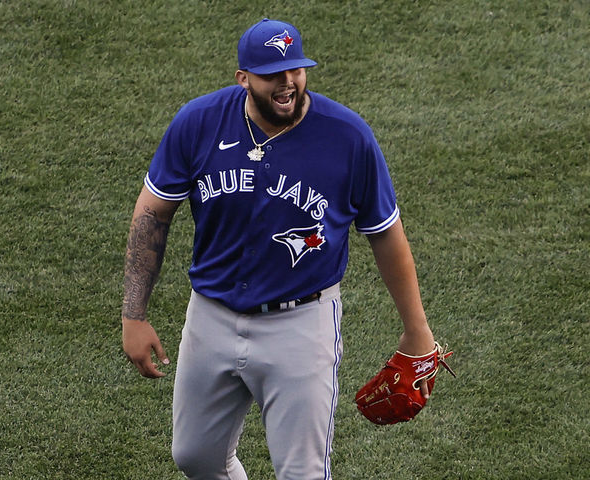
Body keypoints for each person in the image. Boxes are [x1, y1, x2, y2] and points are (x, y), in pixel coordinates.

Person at [121, 18, 436, 480]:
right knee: (195, 457)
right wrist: (134, 313)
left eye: (296, 70)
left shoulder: (348, 137)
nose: (287, 82)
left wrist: (417, 330)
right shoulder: (199, 122)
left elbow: (386, 234)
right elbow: (152, 214)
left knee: (302, 474)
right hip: (211, 315)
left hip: (301, 325)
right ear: (244, 78)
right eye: (272, 74)